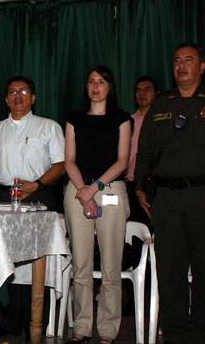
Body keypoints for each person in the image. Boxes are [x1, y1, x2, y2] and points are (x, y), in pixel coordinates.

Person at [135, 42, 205, 344]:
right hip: (165, 199)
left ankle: (200, 333)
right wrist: (140, 186)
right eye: (176, 60)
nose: (181, 65)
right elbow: (144, 151)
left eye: (188, 59)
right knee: (169, 269)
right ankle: (173, 333)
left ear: (202, 67)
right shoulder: (161, 103)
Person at [0, 75, 65, 339]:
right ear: (6, 99)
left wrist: (37, 184)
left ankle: (36, 320)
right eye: (13, 92)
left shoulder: (49, 127)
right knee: (6, 260)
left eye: (24, 91)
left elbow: (60, 164)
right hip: (3, 198)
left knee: (36, 260)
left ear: (33, 98)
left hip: (38, 195)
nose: (18, 96)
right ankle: (10, 319)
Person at [64, 66, 131, 344]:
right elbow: (69, 160)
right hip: (77, 190)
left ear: (109, 86)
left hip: (109, 190)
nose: (95, 86)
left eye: (101, 81)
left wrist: (94, 189)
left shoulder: (122, 118)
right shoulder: (74, 119)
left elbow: (122, 161)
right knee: (80, 265)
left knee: (111, 266)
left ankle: (107, 330)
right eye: (91, 81)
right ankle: (81, 327)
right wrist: (84, 191)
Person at [125, 76, 158, 226]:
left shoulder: (162, 122)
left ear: (157, 94)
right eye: (138, 90)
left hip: (156, 183)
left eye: (147, 89)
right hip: (131, 182)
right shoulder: (128, 122)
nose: (142, 93)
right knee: (134, 227)